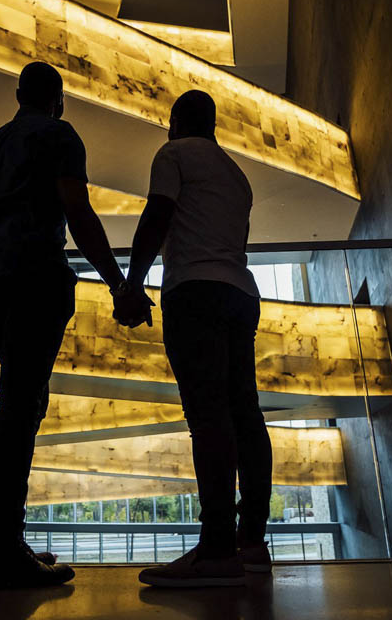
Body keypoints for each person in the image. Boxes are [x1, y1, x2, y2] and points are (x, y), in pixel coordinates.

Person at [0, 61, 149, 591]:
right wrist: (119, 284)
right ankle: (1, 548)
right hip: (35, 277)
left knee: (20, 399)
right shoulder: (59, 134)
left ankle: (6, 539)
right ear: (59, 99)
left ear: (18, 94)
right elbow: (78, 210)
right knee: (23, 404)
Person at [113, 90, 272, 588]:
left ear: (177, 121)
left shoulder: (174, 154)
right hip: (241, 295)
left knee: (208, 417)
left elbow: (157, 217)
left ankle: (217, 548)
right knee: (245, 413)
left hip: (194, 293)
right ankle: (251, 542)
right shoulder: (236, 175)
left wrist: (131, 284)